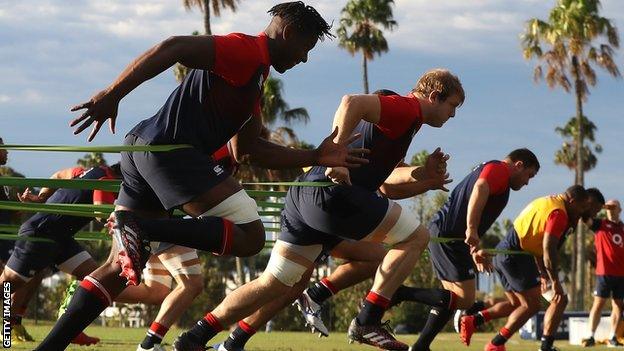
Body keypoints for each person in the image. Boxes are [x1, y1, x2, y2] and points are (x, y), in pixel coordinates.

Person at [38, 3, 369, 349]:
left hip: (143, 151)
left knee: (117, 268)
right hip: (170, 153)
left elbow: (249, 149)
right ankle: (142, 229)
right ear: (287, 34)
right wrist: (113, 93)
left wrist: (314, 156)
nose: (304, 58)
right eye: (306, 48)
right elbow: (175, 47)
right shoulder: (245, 50)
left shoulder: (257, 73)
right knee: (252, 235)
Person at [172, 69, 464, 351]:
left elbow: (388, 186)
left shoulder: (402, 122)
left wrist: (425, 178)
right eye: (453, 106)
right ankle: (367, 320)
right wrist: (337, 157)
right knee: (417, 237)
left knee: (274, 282)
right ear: (435, 96)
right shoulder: (407, 109)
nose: (453, 115)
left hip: (306, 196)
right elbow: (352, 102)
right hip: (333, 197)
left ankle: (195, 337)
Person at [413, 148, 539, 350]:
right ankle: (399, 294)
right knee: (464, 299)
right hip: (447, 235)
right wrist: (471, 229)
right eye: (529, 176)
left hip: (452, 237)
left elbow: (475, 204)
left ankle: (420, 346)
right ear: (519, 165)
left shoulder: (498, 175)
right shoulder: (499, 169)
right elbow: (480, 188)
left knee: (452, 297)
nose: (527, 182)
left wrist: (473, 248)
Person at [482, 186, 593, 351]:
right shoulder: (559, 214)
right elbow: (548, 248)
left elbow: (537, 241)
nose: (582, 211)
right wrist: (554, 280)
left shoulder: (549, 200)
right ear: (572, 201)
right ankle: (495, 342)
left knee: (521, 303)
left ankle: (477, 318)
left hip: (513, 254)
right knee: (534, 304)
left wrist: (543, 273)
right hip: (516, 256)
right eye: (582, 207)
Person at [583, 199, 624, 348]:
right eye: (609, 207)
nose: (612, 209)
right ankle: (590, 336)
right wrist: (597, 206)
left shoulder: (623, 228)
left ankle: (613, 337)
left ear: (620, 210)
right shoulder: (599, 224)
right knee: (598, 304)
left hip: (621, 274)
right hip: (604, 273)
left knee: (618, 306)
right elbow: (584, 218)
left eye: (614, 207)